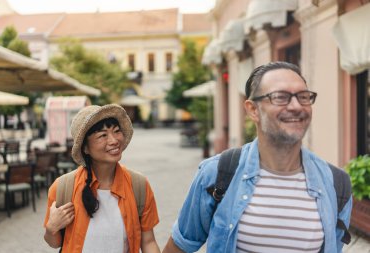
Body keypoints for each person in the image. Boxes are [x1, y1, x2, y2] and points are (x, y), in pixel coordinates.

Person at [163, 61, 352, 253]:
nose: (296, 106)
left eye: (303, 97)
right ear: (253, 110)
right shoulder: (217, 173)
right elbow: (179, 247)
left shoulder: (336, 184)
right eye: (281, 97)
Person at [43, 104, 160, 253]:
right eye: (102, 135)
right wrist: (51, 228)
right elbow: (54, 243)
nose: (113, 140)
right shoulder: (63, 187)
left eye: (117, 131)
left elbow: (148, 242)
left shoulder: (139, 185)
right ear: (85, 148)